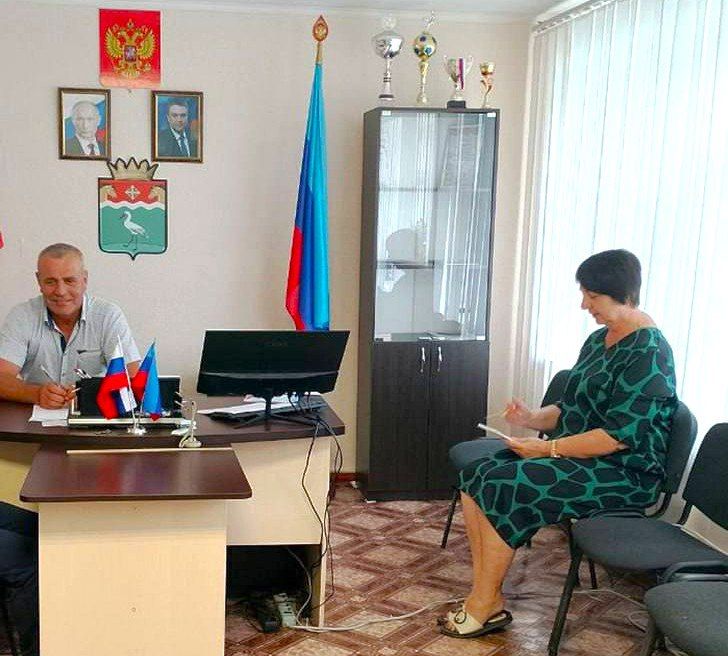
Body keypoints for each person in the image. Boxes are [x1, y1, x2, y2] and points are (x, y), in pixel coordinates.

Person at [439, 249, 677, 638]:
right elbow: (571, 407)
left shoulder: (649, 352)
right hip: (582, 456)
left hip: (624, 472)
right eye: (584, 294)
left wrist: (546, 449)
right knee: (477, 475)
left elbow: (618, 437)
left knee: (506, 486)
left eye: (593, 296)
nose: (585, 305)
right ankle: (487, 595)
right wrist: (531, 418)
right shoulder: (599, 340)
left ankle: (483, 602)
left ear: (624, 295)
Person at [0, 243, 140, 409]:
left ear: (84, 280)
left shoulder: (108, 316)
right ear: (39, 281)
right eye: (50, 282)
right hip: (35, 417)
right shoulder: (22, 316)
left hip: (95, 415)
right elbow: (2, 377)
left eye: (69, 281)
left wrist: (88, 394)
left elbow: (133, 377)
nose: (60, 291)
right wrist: (36, 394)